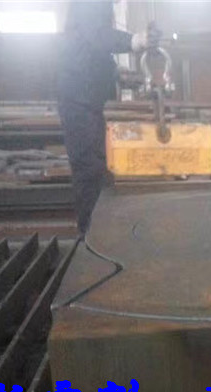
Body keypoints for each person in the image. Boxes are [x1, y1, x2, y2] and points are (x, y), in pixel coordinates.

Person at [57, 1, 141, 234]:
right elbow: (97, 36)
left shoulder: (100, 6)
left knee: (98, 168)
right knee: (89, 170)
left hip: (89, 102)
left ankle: (100, 231)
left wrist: (116, 73)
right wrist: (134, 41)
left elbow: (93, 52)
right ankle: (89, 236)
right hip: (79, 102)